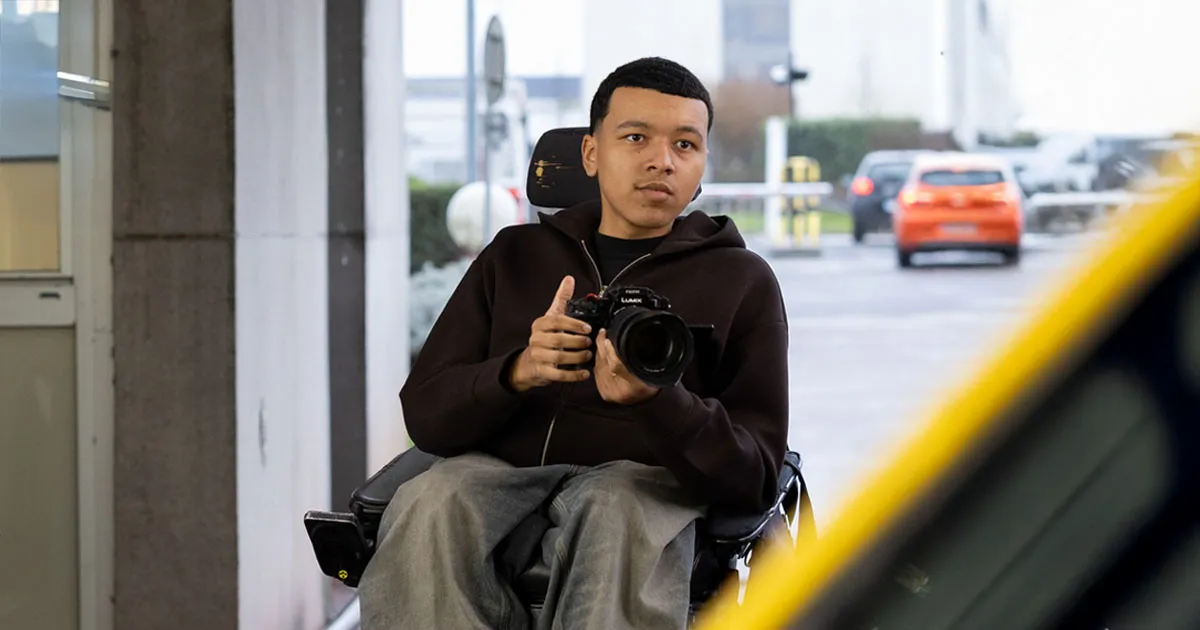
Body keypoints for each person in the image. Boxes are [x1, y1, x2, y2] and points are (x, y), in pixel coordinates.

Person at [360, 57, 790, 630]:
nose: (662, 160)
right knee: (432, 502)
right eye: (635, 137)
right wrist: (516, 373)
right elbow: (428, 414)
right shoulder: (512, 257)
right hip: (497, 471)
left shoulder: (741, 280)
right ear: (591, 153)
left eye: (685, 145)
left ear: (702, 162)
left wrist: (659, 402)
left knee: (615, 506)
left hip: (643, 482)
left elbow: (755, 475)